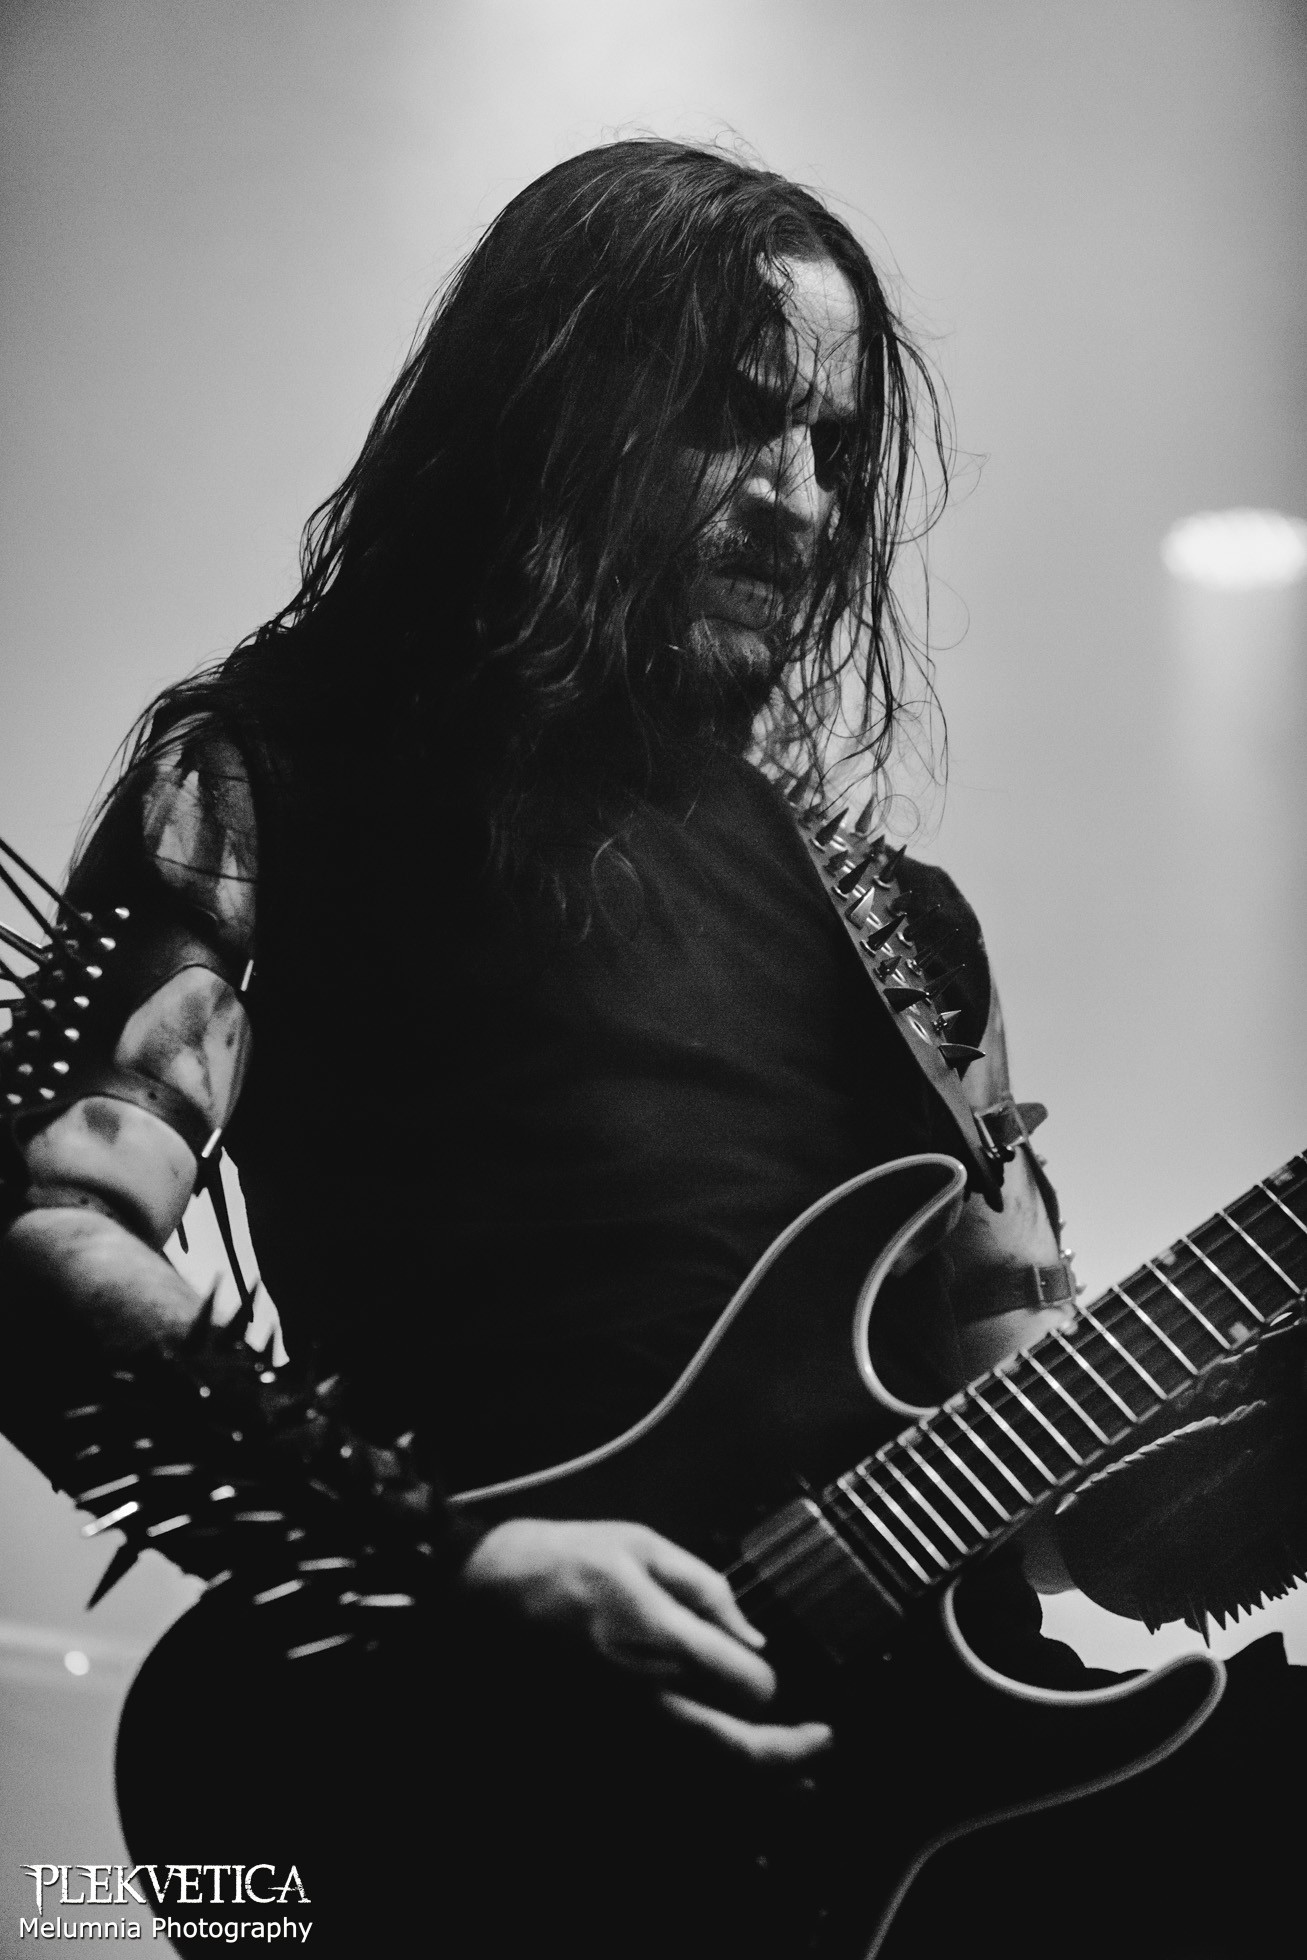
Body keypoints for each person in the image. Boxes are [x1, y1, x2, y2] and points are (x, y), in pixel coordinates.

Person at [1, 139, 1300, 1958]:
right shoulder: (272, 777)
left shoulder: (912, 938)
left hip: (933, 1790)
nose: (803, 501)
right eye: (738, 421)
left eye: (835, 447)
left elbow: (1065, 1501)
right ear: (552, 407)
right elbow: (47, 1249)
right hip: (443, 1786)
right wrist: (450, 1570)